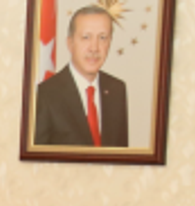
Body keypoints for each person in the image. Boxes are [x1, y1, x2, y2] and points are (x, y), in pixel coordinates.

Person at [34, 5, 129, 147]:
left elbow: (122, 156)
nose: (94, 48)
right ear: (70, 43)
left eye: (102, 38)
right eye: (86, 37)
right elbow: (36, 158)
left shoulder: (117, 89)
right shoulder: (45, 94)